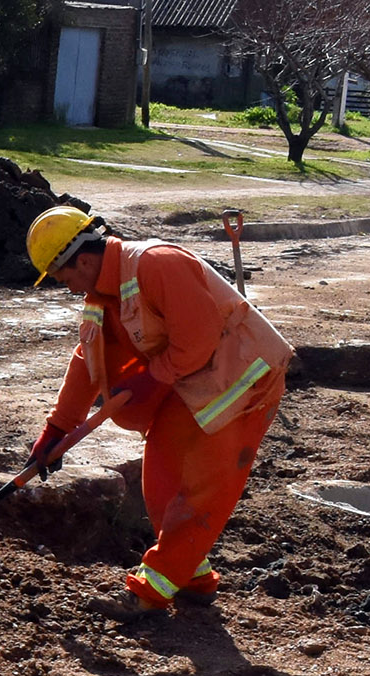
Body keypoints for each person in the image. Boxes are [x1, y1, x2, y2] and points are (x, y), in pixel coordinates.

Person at [24, 206, 292, 614]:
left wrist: (152, 377)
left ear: (83, 259)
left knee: (201, 489)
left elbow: (198, 337)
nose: (70, 289)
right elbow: (88, 359)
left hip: (242, 380)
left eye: (66, 279)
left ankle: (149, 593)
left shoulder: (156, 264)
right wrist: (58, 428)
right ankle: (192, 575)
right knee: (161, 483)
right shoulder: (102, 294)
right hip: (193, 383)